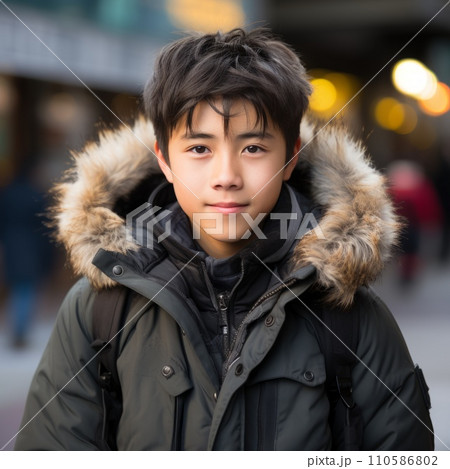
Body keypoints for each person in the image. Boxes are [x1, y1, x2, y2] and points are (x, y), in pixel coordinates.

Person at [15, 28, 434, 450]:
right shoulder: (98, 310)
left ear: (290, 157)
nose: (226, 178)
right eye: (199, 149)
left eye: (253, 148)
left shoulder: (352, 317)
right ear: (164, 159)